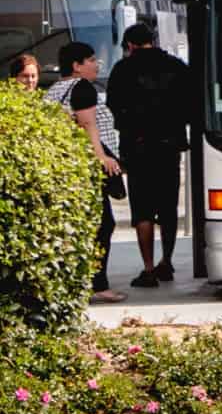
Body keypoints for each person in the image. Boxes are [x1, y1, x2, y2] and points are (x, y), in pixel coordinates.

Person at [107, 24, 191, 287]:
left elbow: (113, 105)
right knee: (167, 208)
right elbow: (190, 102)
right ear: (152, 41)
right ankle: (167, 261)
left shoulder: (122, 69)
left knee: (142, 209)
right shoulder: (176, 66)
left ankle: (148, 268)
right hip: (169, 147)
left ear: (130, 44)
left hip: (137, 148)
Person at [46, 42, 124, 303]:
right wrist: (101, 157)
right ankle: (97, 283)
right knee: (103, 224)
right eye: (90, 60)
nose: (96, 64)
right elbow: (88, 123)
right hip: (87, 167)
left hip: (66, 166)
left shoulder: (55, 89)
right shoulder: (82, 88)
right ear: (76, 66)